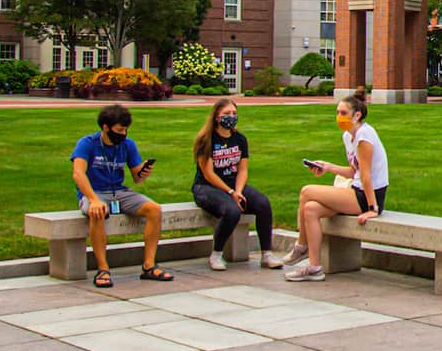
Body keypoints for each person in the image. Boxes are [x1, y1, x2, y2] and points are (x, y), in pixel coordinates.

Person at [281, 94, 387, 281]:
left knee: (306, 191)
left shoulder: (364, 135)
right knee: (310, 209)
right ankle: (314, 267)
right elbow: (353, 171)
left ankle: (301, 246)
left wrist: (372, 209)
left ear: (357, 115)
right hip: (357, 190)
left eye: (344, 113)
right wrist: (328, 167)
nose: (339, 116)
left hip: (368, 196)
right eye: (337, 112)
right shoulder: (348, 136)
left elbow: (365, 175)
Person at [70, 104, 172, 287]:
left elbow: (136, 179)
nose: (123, 134)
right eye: (119, 130)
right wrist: (93, 199)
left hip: (119, 191)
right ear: (105, 127)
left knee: (154, 209)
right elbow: (78, 173)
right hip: (95, 192)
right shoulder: (87, 143)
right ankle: (103, 269)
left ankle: (148, 265)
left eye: (125, 129)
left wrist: (143, 172)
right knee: (98, 211)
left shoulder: (127, 144)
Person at [190, 97, 282, 271]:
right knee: (231, 210)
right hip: (208, 187)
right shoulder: (207, 139)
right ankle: (216, 254)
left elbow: (242, 170)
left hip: (233, 184)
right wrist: (231, 192)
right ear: (216, 117)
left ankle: (266, 253)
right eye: (226, 113)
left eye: (234, 113)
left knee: (263, 203)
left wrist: (238, 190)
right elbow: (208, 173)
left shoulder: (239, 139)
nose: (231, 117)